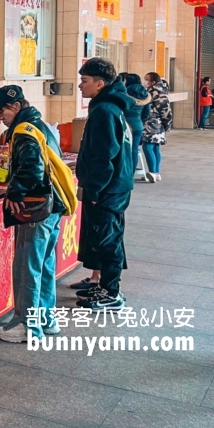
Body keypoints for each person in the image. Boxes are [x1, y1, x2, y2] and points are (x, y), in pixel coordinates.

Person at [0, 86, 66, 343]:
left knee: (26, 265)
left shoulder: (23, 130)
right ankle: (46, 319)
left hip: (35, 208)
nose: (0, 118)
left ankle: (26, 326)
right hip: (53, 205)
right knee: (43, 263)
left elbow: (32, 166)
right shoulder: (38, 124)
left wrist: (16, 193)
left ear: (17, 106)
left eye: (2, 111)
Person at [75, 58, 134, 311]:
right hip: (115, 185)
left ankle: (112, 293)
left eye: (85, 81)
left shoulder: (104, 111)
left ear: (99, 84)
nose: (80, 85)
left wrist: (96, 189)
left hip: (109, 188)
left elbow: (104, 155)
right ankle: (105, 286)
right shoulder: (108, 107)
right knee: (106, 237)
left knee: (108, 240)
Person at [142, 72, 173, 182]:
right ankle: (156, 172)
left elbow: (165, 110)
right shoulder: (155, 90)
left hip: (154, 123)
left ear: (153, 82)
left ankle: (153, 172)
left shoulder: (157, 91)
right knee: (155, 147)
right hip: (155, 123)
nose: (144, 81)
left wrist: (167, 124)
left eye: (147, 79)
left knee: (148, 146)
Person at [122, 73, 151, 171]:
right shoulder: (145, 94)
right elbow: (146, 112)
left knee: (123, 150)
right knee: (134, 150)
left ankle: (124, 172)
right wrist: (140, 121)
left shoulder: (125, 92)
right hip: (138, 126)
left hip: (125, 125)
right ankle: (131, 173)